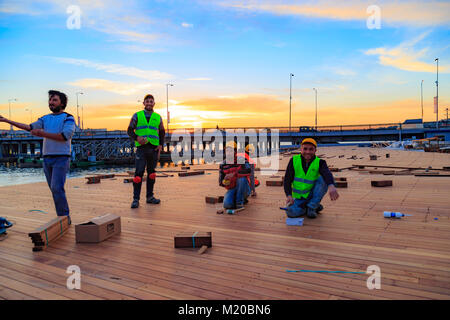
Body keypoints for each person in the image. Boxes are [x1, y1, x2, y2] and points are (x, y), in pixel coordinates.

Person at [0, 90, 76, 223]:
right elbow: (30, 127)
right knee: (54, 189)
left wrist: (43, 134)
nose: (51, 102)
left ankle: (64, 217)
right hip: (47, 158)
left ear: (62, 103)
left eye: (54, 100)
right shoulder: (45, 118)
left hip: (62, 157)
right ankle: (62, 217)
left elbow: (65, 136)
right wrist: (6, 120)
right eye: (50, 100)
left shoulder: (68, 118)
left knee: (56, 188)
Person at [283, 138, 339, 219]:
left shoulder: (320, 162)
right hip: (299, 197)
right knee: (290, 212)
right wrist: (288, 195)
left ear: (315, 150)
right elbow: (287, 179)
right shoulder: (293, 161)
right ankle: (310, 207)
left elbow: (327, 174)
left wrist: (331, 186)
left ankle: (312, 207)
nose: (308, 152)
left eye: (311, 149)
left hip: (312, 194)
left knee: (324, 179)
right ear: (301, 149)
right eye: (305, 149)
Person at [127, 94, 165, 209]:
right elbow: (129, 130)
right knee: (138, 174)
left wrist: (160, 145)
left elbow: (162, 132)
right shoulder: (137, 116)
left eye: (151, 101)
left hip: (153, 149)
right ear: (144, 103)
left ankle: (150, 197)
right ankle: (135, 199)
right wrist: (137, 137)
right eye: (147, 101)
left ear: (154, 103)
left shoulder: (158, 117)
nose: (149, 103)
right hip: (141, 149)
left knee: (152, 174)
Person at [219, 141, 252, 209]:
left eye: (231, 151)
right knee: (227, 205)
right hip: (232, 188)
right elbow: (220, 182)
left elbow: (248, 171)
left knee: (242, 179)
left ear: (235, 151)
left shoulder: (241, 160)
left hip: (244, 187)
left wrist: (234, 174)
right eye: (227, 151)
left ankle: (239, 203)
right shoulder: (223, 164)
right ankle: (239, 198)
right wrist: (224, 181)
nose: (228, 153)